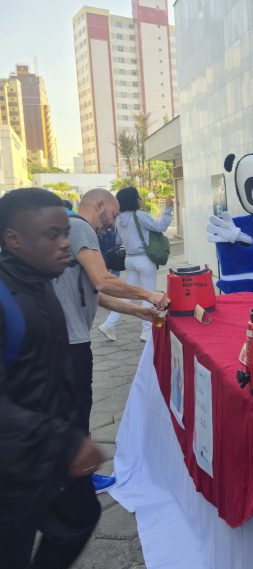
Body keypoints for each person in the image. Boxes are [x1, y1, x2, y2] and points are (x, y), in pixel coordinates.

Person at [0, 188, 104, 569]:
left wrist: (71, 435)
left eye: (65, 232)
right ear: (14, 239)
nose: (66, 243)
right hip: (9, 471)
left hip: (49, 452)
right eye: (52, 235)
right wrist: (62, 439)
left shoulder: (42, 284)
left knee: (82, 515)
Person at [52, 188, 169, 493]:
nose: (114, 222)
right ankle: (79, 481)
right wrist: (149, 294)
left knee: (69, 409)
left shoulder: (71, 229)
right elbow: (103, 281)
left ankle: (66, 477)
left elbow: (96, 293)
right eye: (114, 215)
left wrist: (137, 311)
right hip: (70, 342)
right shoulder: (81, 228)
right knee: (78, 409)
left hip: (63, 339)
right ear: (99, 204)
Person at [98, 187, 173, 342]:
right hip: (144, 260)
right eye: (138, 197)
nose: (140, 199)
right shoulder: (139, 215)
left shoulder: (119, 219)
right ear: (133, 200)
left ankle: (108, 324)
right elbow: (161, 227)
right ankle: (147, 331)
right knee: (149, 295)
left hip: (129, 259)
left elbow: (118, 240)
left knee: (128, 294)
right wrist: (168, 209)